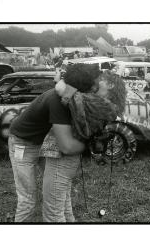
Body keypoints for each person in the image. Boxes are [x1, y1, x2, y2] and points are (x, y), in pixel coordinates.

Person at [8, 64, 101, 222]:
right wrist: (89, 146)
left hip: (42, 142)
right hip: (22, 143)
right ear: (81, 90)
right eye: (93, 87)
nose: (96, 89)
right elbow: (66, 146)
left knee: (59, 191)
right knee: (28, 198)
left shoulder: (70, 96)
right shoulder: (58, 101)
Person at [39, 69, 126, 222]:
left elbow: (61, 89)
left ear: (111, 85)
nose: (96, 81)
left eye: (101, 79)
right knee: (63, 206)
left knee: (53, 213)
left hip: (62, 157)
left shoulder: (97, 103)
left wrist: (59, 79)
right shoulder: (106, 104)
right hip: (69, 156)